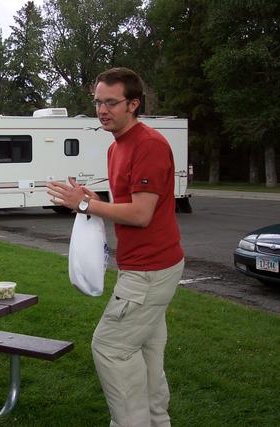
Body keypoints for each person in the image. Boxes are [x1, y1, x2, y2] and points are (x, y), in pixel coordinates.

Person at [46, 67, 184, 427]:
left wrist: (86, 205)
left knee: (110, 347)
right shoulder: (117, 146)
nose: (102, 109)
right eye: (97, 102)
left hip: (150, 271)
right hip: (143, 266)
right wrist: (94, 199)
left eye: (111, 102)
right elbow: (127, 202)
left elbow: (141, 214)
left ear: (133, 104)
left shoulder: (149, 144)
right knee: (147, 353)